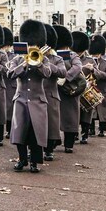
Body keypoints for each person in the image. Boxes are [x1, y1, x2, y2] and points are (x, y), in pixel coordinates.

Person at [8, 20, 52, 173]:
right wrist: (24, 64)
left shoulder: (43, 59)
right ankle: (22, 159)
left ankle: (34, 162)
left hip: (37, 100)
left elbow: (48, 73)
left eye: (35, 45)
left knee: (35, 133)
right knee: (19, 131)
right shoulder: (17, 59)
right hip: (20, 99)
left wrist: (37, 63)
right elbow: (10, 74)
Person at [56, 28, 84, 153]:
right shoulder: (52, 55)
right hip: (55, 90)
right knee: (54, 117)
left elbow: (78, 67)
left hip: (69, 90)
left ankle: (69, 143)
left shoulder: (72, 55)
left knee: (70, 117)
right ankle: (54, 141)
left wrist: (65, 78)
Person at [42, 25, 66, 161]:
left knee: (51, 124)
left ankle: (49, 149)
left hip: (50, 95)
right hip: (36, 95)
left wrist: (47, 63)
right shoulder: (31, 56)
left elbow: (63, 72)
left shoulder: (57, 59)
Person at [87, 34, 106, 138]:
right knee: (92, 111)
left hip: (103, 89)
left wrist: (95, 70)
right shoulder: (88, 61)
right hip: (91, 89)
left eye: (96, 54)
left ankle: (103, 129)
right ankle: (91, 129)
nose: (95, 56)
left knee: (103, 112)